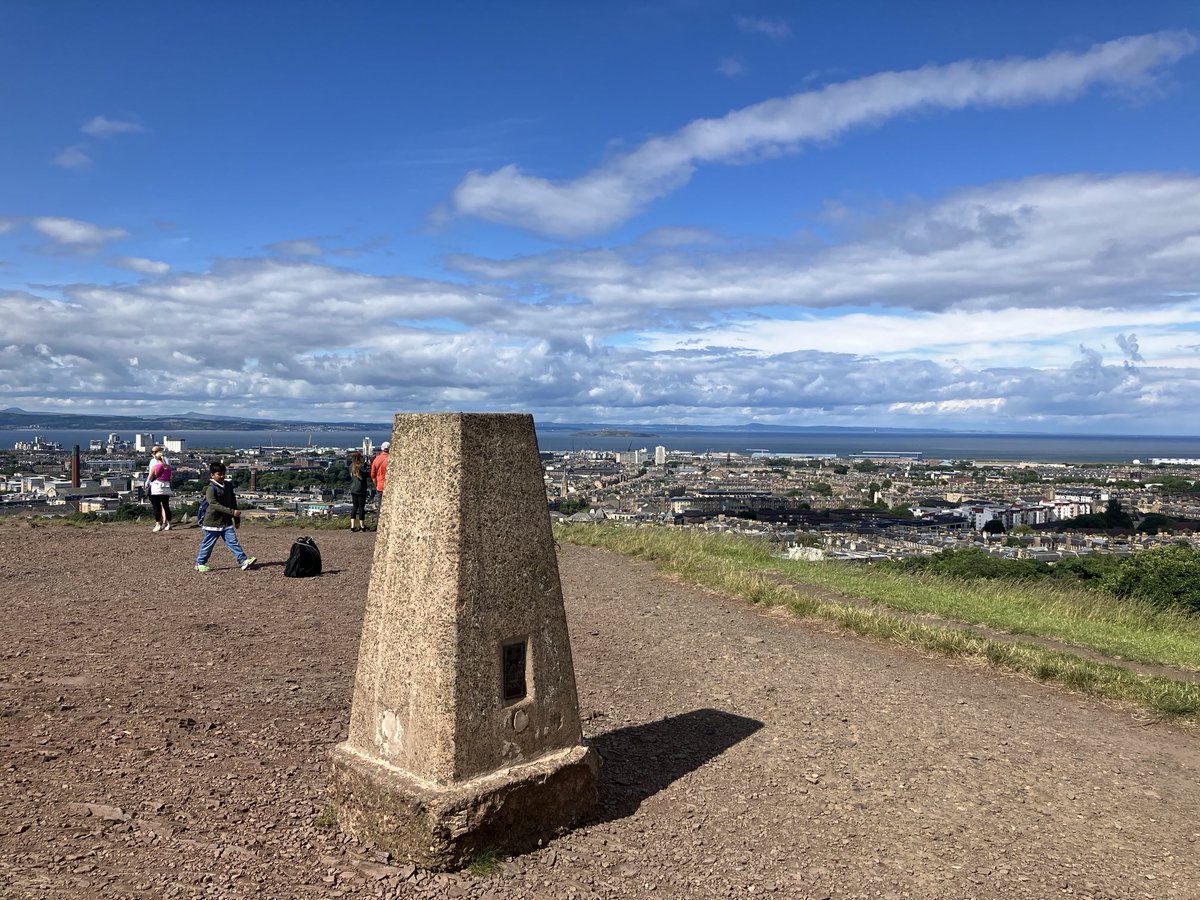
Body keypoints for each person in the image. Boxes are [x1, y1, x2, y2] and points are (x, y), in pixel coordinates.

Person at [194, 461, 256, 573]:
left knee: (233, 542)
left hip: (226, 521)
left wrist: (236, 520)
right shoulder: (210, 489)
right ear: (212, 475)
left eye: (223, 473)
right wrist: (232, 512)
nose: (222, 476)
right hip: (213, 522)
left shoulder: (228, 486)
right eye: (219, 474)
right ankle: (200, 562)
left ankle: (243, 560)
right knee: (208, 544)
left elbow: (233, 501)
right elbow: (214, 504)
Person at [146, 445, 173, 532]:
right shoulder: (168, 467)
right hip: (166, 487)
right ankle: (169, 523)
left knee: (157, 506)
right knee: (166, 506)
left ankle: (158, 524)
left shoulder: (155, 466)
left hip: (156, 487)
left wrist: (147, 483)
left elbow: (150, 478)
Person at [348, 450, 370, 532]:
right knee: (361, 507)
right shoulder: (361, 467)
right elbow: (368, 473)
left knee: (355, 507)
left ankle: (352, 526)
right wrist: (367, 465)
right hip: (361, 489)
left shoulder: (350, 466)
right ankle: (362, 526)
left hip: (353, 488)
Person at [370, 441, 389, 509]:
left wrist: (376, 485)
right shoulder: (392, 459)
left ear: (382, 449)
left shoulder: (376, 459)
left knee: (381, 507)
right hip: (391, 486)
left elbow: (373, 475)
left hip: (380, 486)